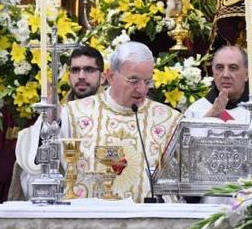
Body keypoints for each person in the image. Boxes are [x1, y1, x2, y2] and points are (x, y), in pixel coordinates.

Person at [61, 41, 181, 201]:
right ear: (110, 76)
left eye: (147, 81)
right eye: (133, 81)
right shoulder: (73, 114)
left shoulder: (169, 120)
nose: (142, 89)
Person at [13, 45, 106, 199]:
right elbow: (31, 161)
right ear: (69, 76)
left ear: (102, 77)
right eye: (75, 70)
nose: (81, 76)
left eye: (89, 70)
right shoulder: (60, 110)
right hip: (64, 191)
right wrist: (50, 123)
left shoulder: (110, 114)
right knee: (33, 176)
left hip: (100, 190)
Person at [185, 45, 252, 124]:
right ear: (213, 72)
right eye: (219, 67)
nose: (225, 75)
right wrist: (210, 117)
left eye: (233, 68)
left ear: (247, 74)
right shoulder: (196, 110)